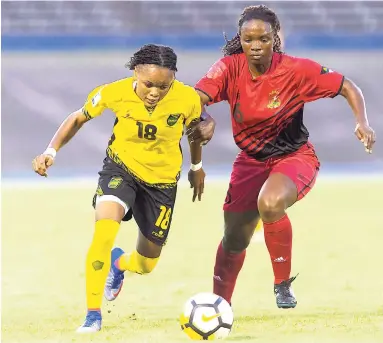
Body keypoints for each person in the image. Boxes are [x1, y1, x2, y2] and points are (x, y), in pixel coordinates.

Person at [189, 5, 376, 309]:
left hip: (294, 157)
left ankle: (282, 284)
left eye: (263, 39)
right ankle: (218, 306)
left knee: (271, 202)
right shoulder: (228, 67)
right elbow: (195, 98)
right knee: (234, 237)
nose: (256, 47)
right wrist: (204, 116)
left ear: (275, 39)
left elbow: (347, 86)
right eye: (249, 40)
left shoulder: (296, 69)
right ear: (241, 39)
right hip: (250, 161)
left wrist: (362, 122)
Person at [32, 44, 208, 332]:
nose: (154, 92)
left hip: (162, 182)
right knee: (105, 228)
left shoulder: (187, 99)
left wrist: (196, 167)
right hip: (120, 169)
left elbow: (195, 133)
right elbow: (77, 117)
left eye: (163, 86)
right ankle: (92, 314)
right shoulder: (114, 92)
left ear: (173, 80)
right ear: (135, 73)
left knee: (146, 264)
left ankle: (119, 264)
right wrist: (50, 152)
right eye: (149, 84)